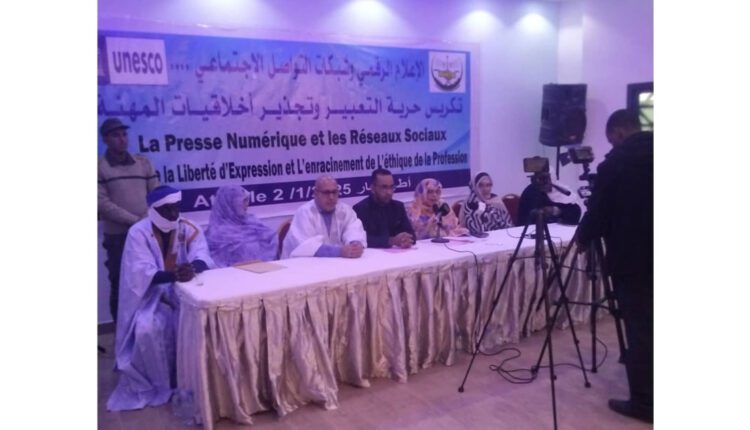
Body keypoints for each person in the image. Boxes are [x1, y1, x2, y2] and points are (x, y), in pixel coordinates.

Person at [107, 185, 214, 411]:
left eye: (177, 208)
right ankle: (160, 382)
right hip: (151, 295)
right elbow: (140, 272)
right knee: (148, 328)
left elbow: (202, 254)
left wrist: (192, 268)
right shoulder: (138, 232)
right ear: (154, 209)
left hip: (187, 291)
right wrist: (173, 275)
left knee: (200, 321)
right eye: (167, 210)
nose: (174, 214)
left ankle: (193, 378)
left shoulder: (188, 227)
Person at [577, 109, 653, 423]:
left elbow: (599, 213)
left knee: (641, 328)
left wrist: (582, 237)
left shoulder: (616, 164)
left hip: (632, 261)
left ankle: (645, 403)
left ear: (619, 133)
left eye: (611, 141)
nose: (611, 146)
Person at [98, 117, 159, 324]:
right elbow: (102, 203)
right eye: (116, 135)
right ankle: (122, 333)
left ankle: (148, 331)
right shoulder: (99, 167)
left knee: (150, 281)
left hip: (146, 235)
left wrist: (145, 221)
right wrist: (135, 221)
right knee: (120, 285)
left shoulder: (143, 163)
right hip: (118, 238)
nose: (122, 139)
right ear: (105, 140)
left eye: (124, 134)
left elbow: (156, 195)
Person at [281, 175, 367, 258]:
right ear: (316, 193)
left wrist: (355, 245)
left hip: (336, 263)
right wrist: (339, 251)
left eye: (334, 192)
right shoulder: (305, 213)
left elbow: (354, 230)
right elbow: (305, 247)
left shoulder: (345, 210)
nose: (331, 197)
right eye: (326, 193)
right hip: (303, 264)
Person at [205, 185, 278, 266]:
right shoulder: (216, 234)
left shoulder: (252, 221)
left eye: (247, 200)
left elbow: (272, 237)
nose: (247, 204)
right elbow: (217, 264)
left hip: (265, 270)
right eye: (243, 201)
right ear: (230, 204)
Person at [353, 168, 416, 248]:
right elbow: (361, 239)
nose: (389, 192)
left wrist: (405, 239)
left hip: (398, 253)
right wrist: (391, 241)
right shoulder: (360, 209)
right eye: (384, 187)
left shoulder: (398, 207)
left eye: (391, 187)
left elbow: (412, 236)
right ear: (373, 188)